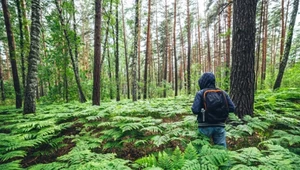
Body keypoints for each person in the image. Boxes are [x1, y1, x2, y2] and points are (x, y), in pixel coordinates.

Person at [191, 72, 235, 148]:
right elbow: (232, 108)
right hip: (220, 125)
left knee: (201, 149)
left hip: (204, 126)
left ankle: (202, 160)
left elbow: (195, 110)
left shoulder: (200, 93)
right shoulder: (223, 93)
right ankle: (223, 160)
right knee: (221, 150)